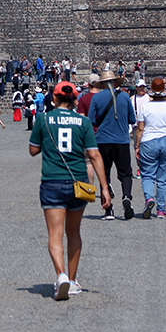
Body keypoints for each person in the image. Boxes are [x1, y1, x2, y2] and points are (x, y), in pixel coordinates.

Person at [28, 80, 111, 300]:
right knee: (73, 232)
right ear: (75, 100)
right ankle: (73, 280)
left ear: (54, 98)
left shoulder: (43, 119)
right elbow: (94, 155)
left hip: (52, 181)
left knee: (54, 234)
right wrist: (104, 188)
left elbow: (33, 150)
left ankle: (60, 274)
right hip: (78, 183)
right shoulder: (83, 122)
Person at [87, 70, 137, 220]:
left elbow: (91, 121)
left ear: (102, 84)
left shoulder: (96, 98)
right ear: (115, 82)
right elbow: (132, 119)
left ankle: (109, 210)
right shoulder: (125, 97)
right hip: (121, 140)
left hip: (103, 140)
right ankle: (126, 196)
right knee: (125, 173)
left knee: (105, 174)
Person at [134, 77, 166, 218]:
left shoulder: (145, 107)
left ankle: (149, 198)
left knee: (147, 175)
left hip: (149, 140)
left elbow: (140, 129)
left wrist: (137, 145)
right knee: (162, 177)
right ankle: (161, 209)